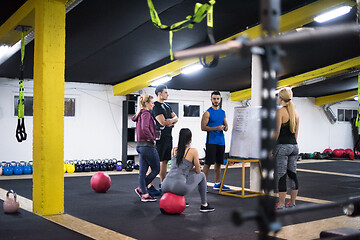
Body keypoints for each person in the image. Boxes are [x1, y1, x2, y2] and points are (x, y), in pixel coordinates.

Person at [162, 128, 215, 212]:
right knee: (202, 175)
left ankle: (182, 201)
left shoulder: (173, 150)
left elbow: (179, 168)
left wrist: (190, 169)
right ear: (190, 138)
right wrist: (194, 169)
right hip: (178, 188)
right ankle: (204, 205)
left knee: (183, 175)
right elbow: (198, 171)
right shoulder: (193, 151)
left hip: (165, 185)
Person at [272, 87, 300, 209]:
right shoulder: (296, 113)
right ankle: (292, 203)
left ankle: (282, 204)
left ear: (281, 98)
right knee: (293, 175)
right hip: (294, 146)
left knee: (281, 175)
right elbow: (296, 135)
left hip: (282, 147)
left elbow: (276, 133)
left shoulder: (280, 112)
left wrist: (271, 148)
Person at [131, 94, 160, 202]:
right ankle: (142, 189)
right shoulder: (146, 113)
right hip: (147, 146)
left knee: (142, 172)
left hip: (140, 146)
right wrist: (151, 139)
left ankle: (144, 193)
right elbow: (144, 128)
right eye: (152, 103)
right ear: (146, 103)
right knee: (156, 169)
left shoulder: (140, 113)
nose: (153, 105)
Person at [151, 85, 178, 194]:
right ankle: (150, 185)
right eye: (165, 92)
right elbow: (163, 122)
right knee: (154, 162)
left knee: (165, 161)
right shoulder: (156, 106)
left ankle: (163, 184)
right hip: (159, 138)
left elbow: (176, 118)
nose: (167, 94)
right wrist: (171, 122)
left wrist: (170, 121)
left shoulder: (167, 106)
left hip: (168, 137)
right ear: (159, 93)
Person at [201, 91, 230, 191]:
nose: (216, 101)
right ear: (211, 99)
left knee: (218, 163)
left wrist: (225, 128)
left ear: (220, 99)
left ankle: (217, 183)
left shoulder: (223, 112)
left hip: (221, 141)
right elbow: (203, 127)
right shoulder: (207, 113)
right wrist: (216, 128)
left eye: (217, 99)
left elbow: (226, 126)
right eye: (214, 99)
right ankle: (203, 185)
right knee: (208, 163)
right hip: (211, 141)